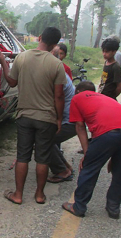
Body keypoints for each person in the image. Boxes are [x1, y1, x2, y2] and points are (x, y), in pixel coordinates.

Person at [0, 27, 66, 205]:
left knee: (22, 156)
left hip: (25, 115)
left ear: (40, 37)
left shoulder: (22, 57)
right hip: (47, 118)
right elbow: (59, 96)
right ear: (55, 44)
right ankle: (39, 195)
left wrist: (3, 62)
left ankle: (18, 195)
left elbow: (12, 82)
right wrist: (58, 119)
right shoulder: (57, 64)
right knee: (43, 158)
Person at [61, 81, 121, 219]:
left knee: (89, 168)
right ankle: (114, 208)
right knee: (119, 170)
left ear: (78, 92)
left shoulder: (77, 98)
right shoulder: (104, 98)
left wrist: (87, 154)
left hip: (108, 134)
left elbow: (80, 127)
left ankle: (78, 207)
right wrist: (113, 155)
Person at [47, 45, 77, 183]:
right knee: (50, 140)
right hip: (73, 119)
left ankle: (62, 171)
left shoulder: (56, 74)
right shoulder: (59, 71)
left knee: (44, 140)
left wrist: (58, 120)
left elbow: (57, 98)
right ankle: (66, 167)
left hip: (70, 121)